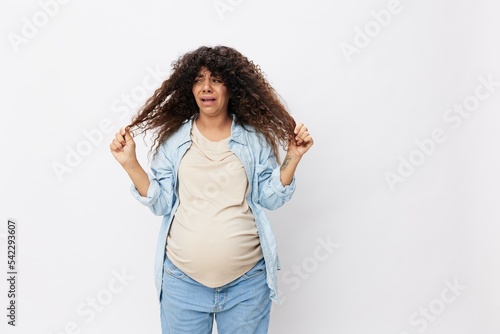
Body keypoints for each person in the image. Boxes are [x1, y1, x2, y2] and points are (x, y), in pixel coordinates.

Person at [110, 45, 313, 333]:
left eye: (216, 79)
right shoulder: (174, 141)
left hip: (247, 285)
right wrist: (130, 163)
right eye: (199, 79)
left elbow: (270, 197)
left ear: (233, 87)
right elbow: (162, 203)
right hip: (183, 284)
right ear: (189, 88)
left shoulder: (254, 140)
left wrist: (293, 156)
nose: (207, 87)